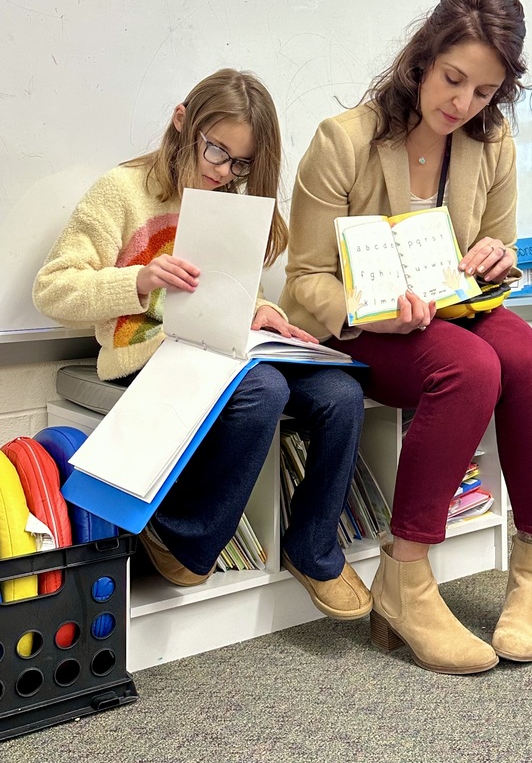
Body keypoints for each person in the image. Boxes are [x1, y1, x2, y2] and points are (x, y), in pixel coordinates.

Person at [280, 0, 532, 673]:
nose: (462, 103)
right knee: (470, 369)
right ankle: (404, 576)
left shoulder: (489, 143)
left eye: (483, 92)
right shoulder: (343, 139)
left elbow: (492, 260)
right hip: (361, 325)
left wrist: (495, 262)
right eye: (453, 79)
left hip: (450, 309)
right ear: (422, 58)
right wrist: (369, 306)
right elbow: (305, 278)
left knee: (526, 363)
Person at [33, 68, 371, 620]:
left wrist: (267, 312)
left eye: (240, 163)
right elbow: (52, 288)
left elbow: (241, 291)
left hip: (220, 347)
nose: (224, 172)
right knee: (262, 389)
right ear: (182, 122)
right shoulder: (122, 191)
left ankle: (312, 547)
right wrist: (139, 280)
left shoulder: (229, 200)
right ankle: (182, 537)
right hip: (146, 351)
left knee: (339, 391)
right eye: (216, 152)